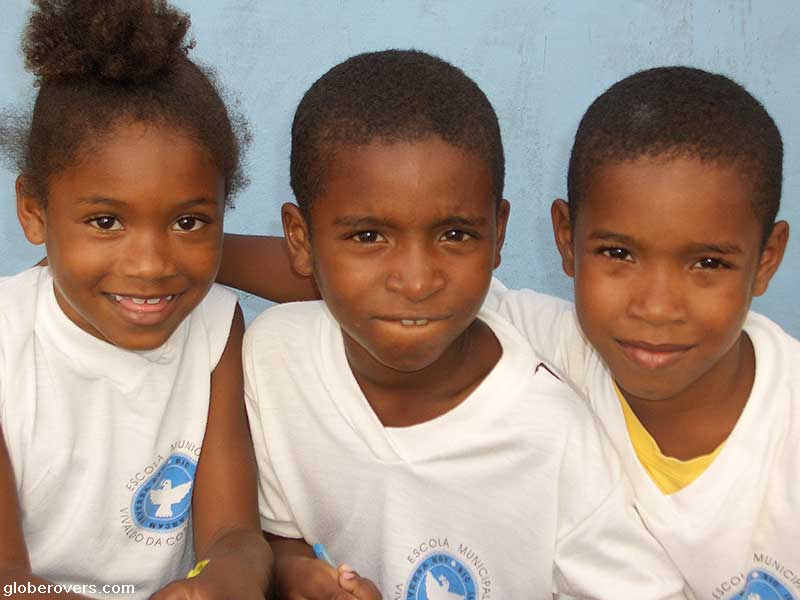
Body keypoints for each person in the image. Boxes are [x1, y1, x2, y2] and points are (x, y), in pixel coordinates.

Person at [240, 49, 688, 599]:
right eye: (367, 236)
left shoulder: (552, 434)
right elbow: (281, 536)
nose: (416, 280)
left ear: (498, 234)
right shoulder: (274, 357)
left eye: (454, 235)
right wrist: (295, 574)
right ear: (300, 239)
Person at [486, 67, 795, 600]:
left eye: (707, 263)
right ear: (567, 239)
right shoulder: (551, 347)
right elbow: (389, 291)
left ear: (766, 260)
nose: (655, 308)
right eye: (618, 254)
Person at [0, 1, 275, 598]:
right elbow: (7, 578)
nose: (151, 266)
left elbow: (234, 535)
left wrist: (216, 583)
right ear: (34, 211)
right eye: (105, 222)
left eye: (188, 222)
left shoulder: (214, 327)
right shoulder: (6, 340)